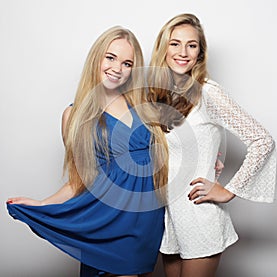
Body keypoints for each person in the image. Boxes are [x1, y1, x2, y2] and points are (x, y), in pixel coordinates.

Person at [6, 26, 169, 277]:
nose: (117, 68)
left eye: (127, 63)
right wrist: (42, 203)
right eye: (111, 57)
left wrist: (214, 160)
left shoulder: (144, 106)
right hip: (107, 221)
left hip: (146, 223)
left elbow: (170, 150)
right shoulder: (74, 115)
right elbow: (81, 178)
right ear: (97, 57)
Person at [147, 13, 276, 277]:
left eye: (191, 45)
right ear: (163, 48)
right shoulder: (158, 95)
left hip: (199, 216)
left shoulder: (208, 92)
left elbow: (263, 141)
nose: (183, 52)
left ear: (200, 53)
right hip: (169, 217)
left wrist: (228, 190)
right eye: (175, 43)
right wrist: (215, 158)